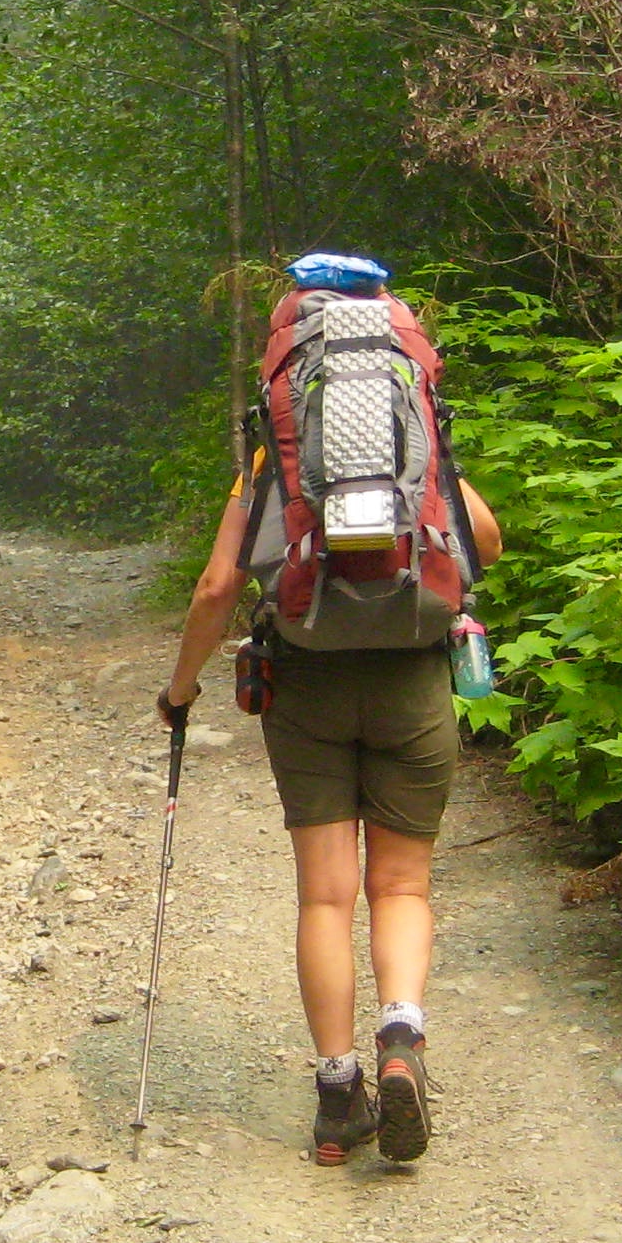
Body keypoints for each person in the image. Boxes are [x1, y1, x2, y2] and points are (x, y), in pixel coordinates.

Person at [158, 407, 502, 1168]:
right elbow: (487, 543)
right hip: (412, 679)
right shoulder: (416, 449)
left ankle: (338, 1094)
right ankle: (402, 1038)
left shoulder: (269, 463)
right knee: (403, 886)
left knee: (325, 895)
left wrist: (182, 691)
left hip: (307, 682)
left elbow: (218, 587)